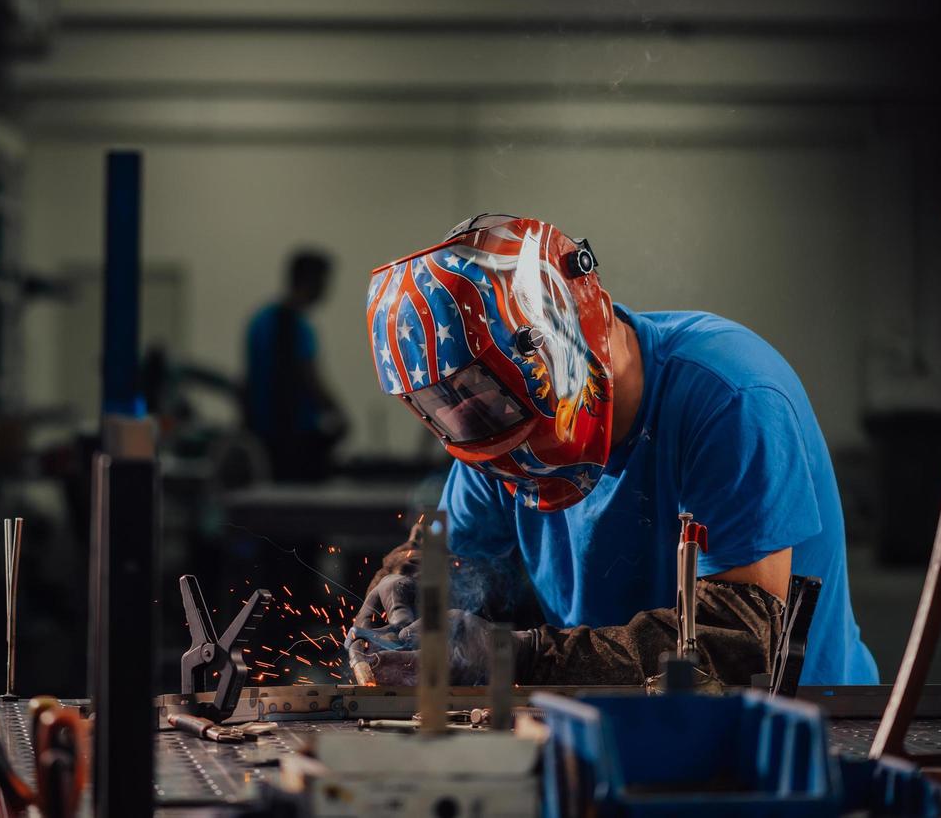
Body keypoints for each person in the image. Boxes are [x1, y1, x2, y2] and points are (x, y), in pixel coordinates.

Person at [347, 214, 877, 687]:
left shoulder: (730, 399)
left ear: (558, 338)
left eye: (487, 399)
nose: (478, 422)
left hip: (796, 730)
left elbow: (736, 646)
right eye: (450, 406)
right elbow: (454, 558)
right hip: (608, 722)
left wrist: (520, 658)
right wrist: (408, 588)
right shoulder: (493, 437)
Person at [244, 250, 347, 482]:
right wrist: (339, 413)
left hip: (262, 437)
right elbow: (308, 378)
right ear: (310, 280)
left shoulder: (260, 320)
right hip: (297, 441)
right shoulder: (299, 327)